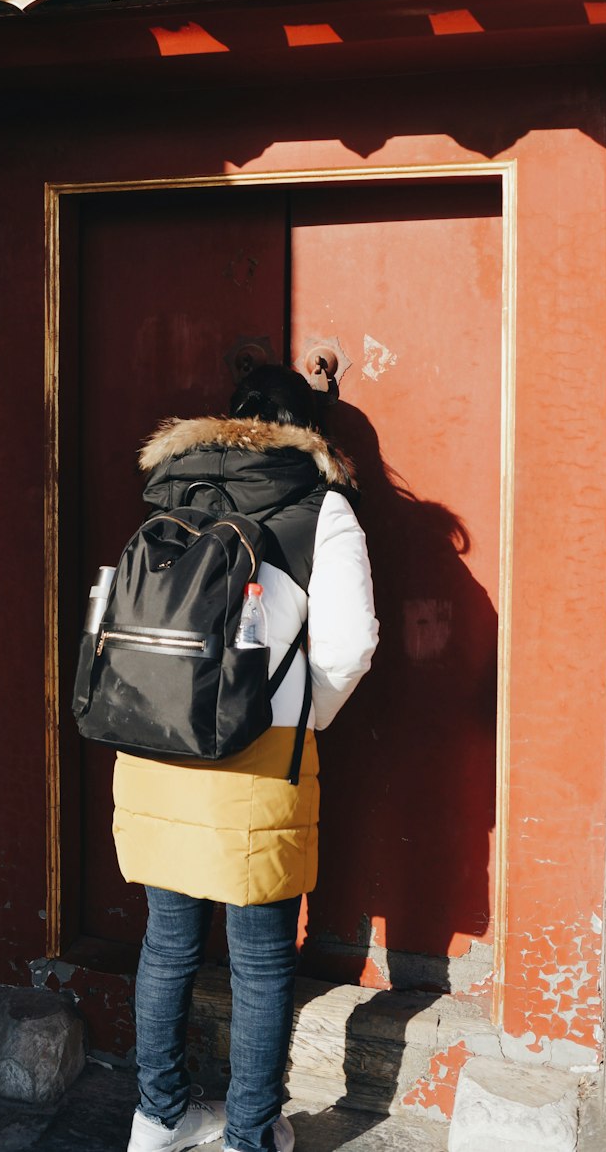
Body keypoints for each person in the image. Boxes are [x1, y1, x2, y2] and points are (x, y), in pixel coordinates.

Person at [115, 364, 379, 1152]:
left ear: (230, 422)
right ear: (310, 431)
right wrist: (301, 718)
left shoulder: (171, 487)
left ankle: (158, 1119)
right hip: (259, 756)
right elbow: (351, 642)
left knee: (166, 942)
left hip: (157, 743)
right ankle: (251, 1137)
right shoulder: (321, 507)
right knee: (260, 961)